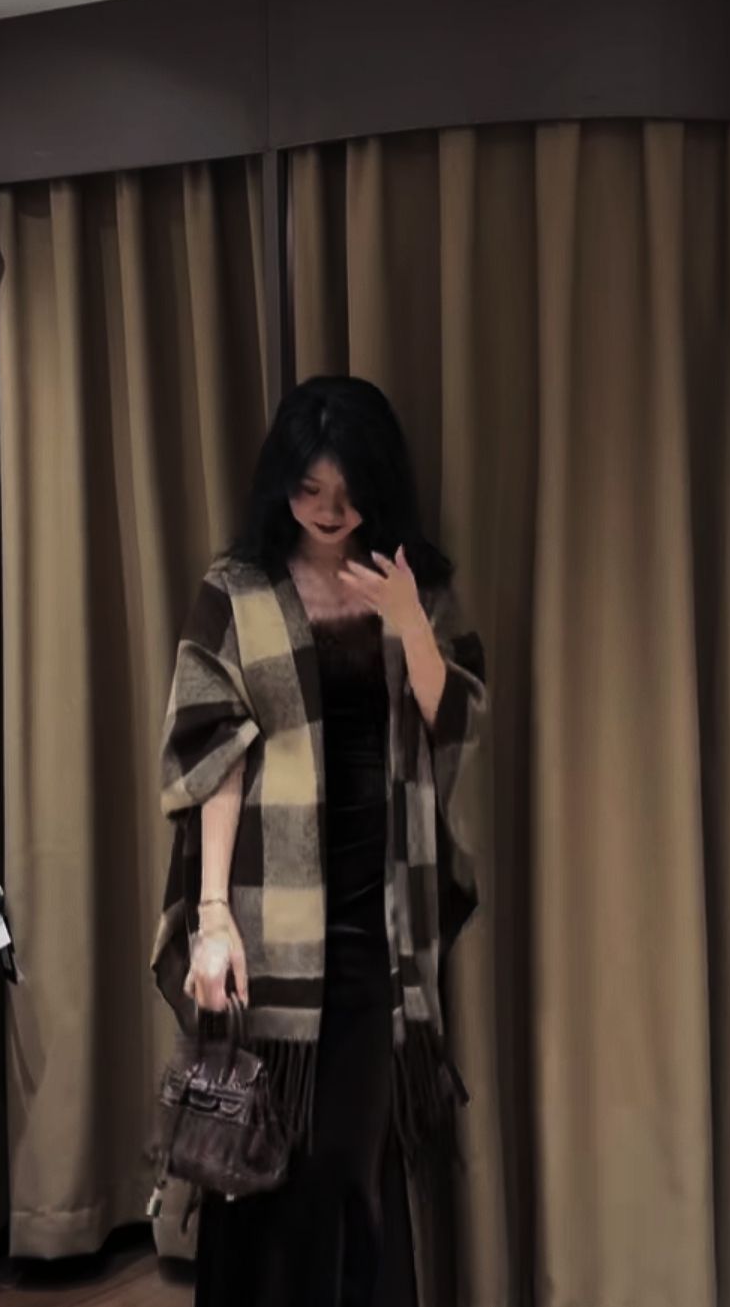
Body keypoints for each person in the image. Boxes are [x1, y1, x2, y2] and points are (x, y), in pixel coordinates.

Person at [149, 375, 488, 1307]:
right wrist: (212, 916)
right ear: (281, 484)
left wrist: (411, 621)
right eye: (310, 490)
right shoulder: (237, 591)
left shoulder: (414, 583)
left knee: (351, 1161)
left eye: (348, 491)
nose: (330, 512)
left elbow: (453, 721)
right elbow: (210, 754)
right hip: (268, 914)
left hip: (381, 910)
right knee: (262, 1158)